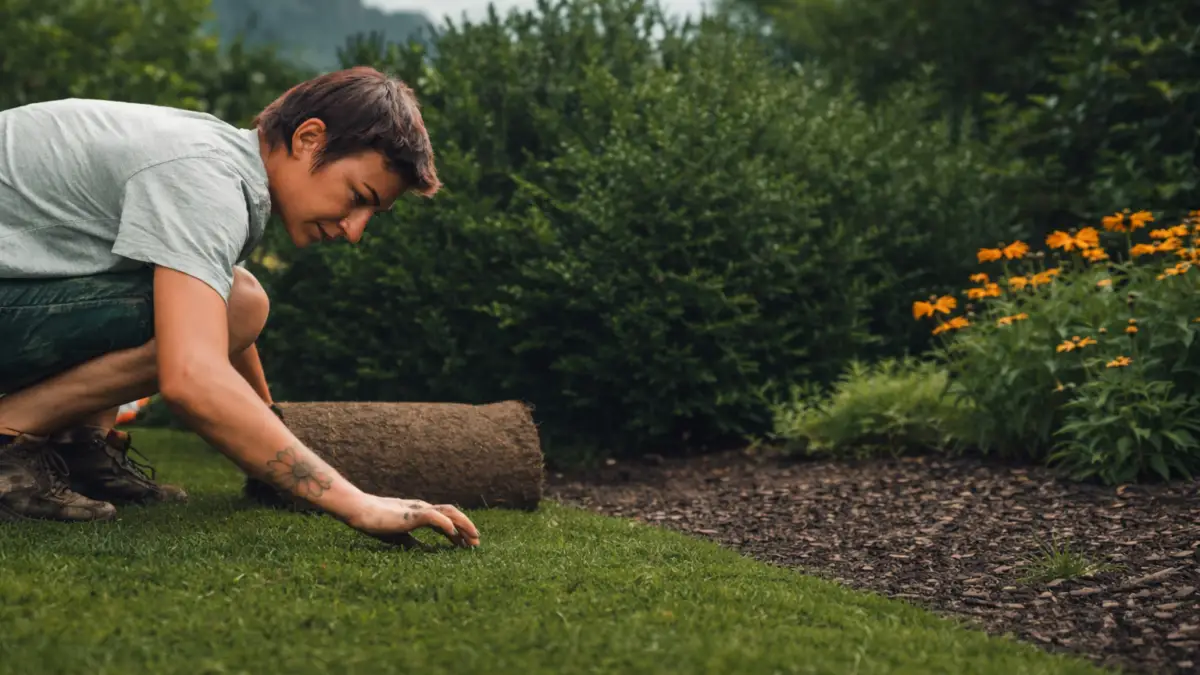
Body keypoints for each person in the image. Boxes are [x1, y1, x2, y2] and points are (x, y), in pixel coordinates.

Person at [0, 66, 481, 549]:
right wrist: (357, 503)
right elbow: (193, 376)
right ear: (309, 138)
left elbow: (219, 319)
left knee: (233, 295)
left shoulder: (220, 161)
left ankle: (78, 447)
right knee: (243, 303)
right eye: (358, 198)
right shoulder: (204, 179)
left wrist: (273, 437)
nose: (354, 231)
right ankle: (9, 434)